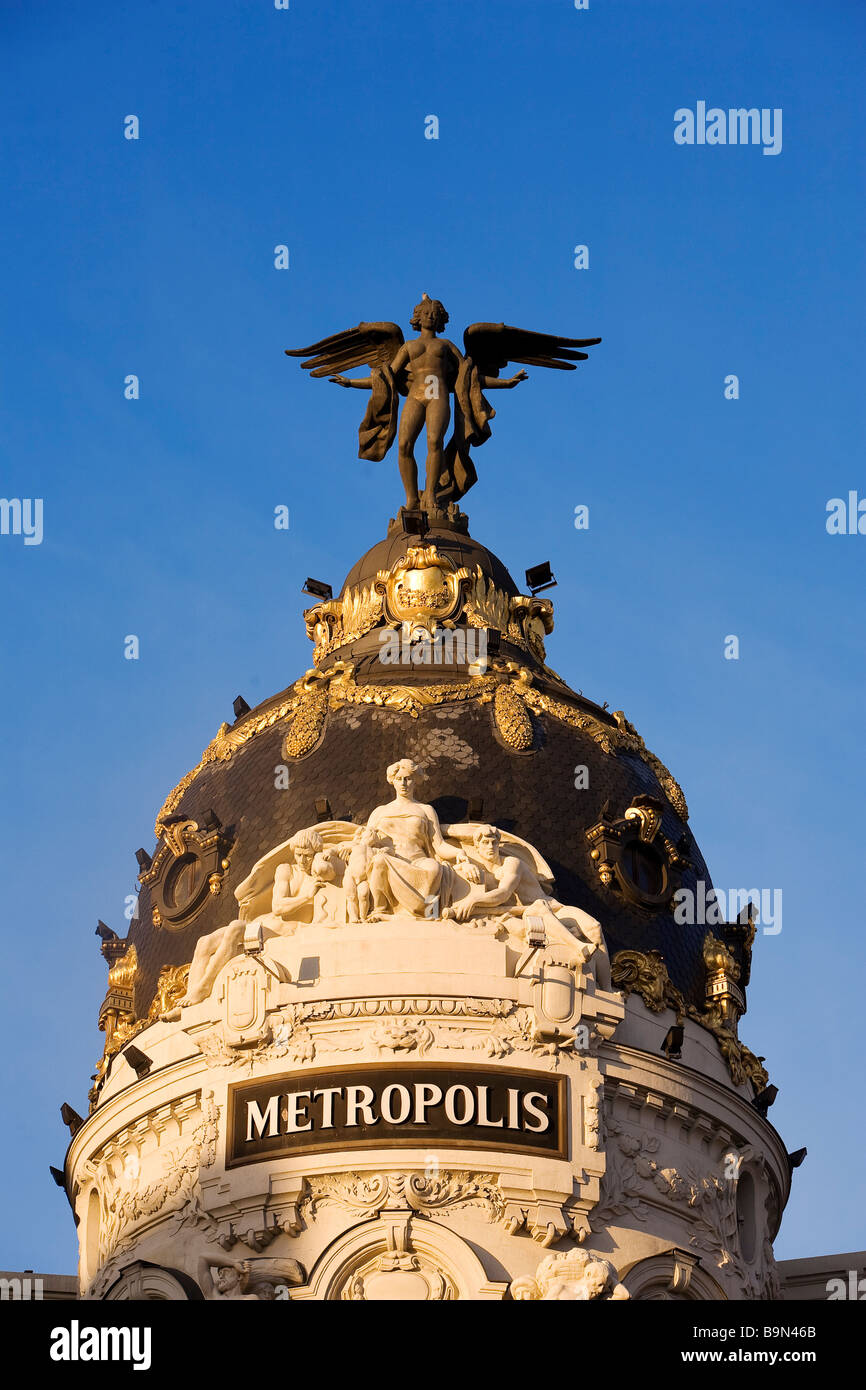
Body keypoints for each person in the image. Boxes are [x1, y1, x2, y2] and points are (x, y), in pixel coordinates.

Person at [444, 824, 611, 990]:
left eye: (493, 842)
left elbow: (503, 894)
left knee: (595, 928)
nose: (490, 847)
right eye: (485, 843)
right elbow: (440, 848)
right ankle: (579, 947)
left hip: (553, 909)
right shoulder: (482, 874)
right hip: (529, 914)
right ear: (476, 847)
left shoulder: (511, 863)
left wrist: (473, 900)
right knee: (537, 909)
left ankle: (607, 990)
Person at [364, 758, 479, 918]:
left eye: (408, 778)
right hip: (391, 859)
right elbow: (363, 844)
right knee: (379, 861)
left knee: (434, 868)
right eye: (399, 779)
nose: (403, 783)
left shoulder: (425, 810)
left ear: (415, 780)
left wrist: (460, 853)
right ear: (393, 781)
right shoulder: (379, 812)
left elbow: (438, 845)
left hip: (418, 860)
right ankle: (380, 909)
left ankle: (427, 911)